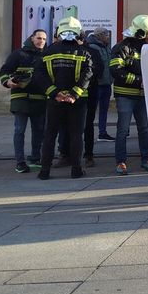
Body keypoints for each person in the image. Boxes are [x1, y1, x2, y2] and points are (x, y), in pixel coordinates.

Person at [33, 17, 93, 180]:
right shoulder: (84, 52)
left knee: (50, 134)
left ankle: (44, 171)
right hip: (77, 102)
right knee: (75, 134)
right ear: (79, 33)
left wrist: (55, 93)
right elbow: (87, 75)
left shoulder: (49, 51)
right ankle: (76, 169)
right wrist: (73, 95)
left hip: (54, 101)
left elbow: (39, 74)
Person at [110, 14, 148, 175]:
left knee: (145, 129)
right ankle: (121, 162)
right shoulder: (121, 48)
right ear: (141, 33)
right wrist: (138, 80)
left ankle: (147, 159)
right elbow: (116, 71)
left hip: (143, 95)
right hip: (125, 95)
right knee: (123, 130)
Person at [0, 30, 47, 173]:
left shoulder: (46, 55)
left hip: (39, 99)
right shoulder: (18, 54)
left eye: (44, 39)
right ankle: (20, 162)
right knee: (19, 130)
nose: (41, 41)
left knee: (39, 130)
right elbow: (4, 70)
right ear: (32, 38)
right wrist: (7, 82)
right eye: (39, 38)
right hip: (20, 98)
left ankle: (35, 158)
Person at [83, 27, 112, 167]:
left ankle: (102, 131)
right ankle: (101, 132)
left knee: (104, 109)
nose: (108, 36)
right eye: (106, 34)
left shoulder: (105, 46)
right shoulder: (94, 47)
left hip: (106, 83)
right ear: (100, 35)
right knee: (92, 114)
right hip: (98, 84)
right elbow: (98, 66)